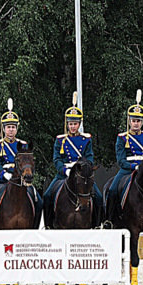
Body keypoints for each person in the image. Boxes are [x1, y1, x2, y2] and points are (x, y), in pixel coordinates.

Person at [42, 93, 103, 229]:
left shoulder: (85, 139)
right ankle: (48, 225)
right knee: (46, 196)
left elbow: (90, 157)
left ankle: (97, 225)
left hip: (81, 174)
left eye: (75, 124)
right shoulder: (60, 140)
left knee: (98, 197)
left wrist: (85, 167)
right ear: (67, 124)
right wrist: (65, 170)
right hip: (64, 174)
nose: (73, 127)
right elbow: (56, 159)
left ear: (79, 124)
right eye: (70, 124)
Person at [0, 99, 40, 229]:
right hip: (2, 179)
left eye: (13, 127)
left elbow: (28, 163)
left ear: (16, 128)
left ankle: (35, 230)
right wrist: (3, 174)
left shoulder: (23, 145)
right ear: (4, 128)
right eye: (8, 127)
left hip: (22, 179)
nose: (11, 130)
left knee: (38, 200)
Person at [105, 90, 143, 227]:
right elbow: (121, 160)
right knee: (112, 190)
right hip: (128, 169)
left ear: (142, 122)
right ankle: (109, 219)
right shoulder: (122, 137)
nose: (136, 124)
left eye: (138, 121)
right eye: (134, 121)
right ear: (129, 121)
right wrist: (134, 167)